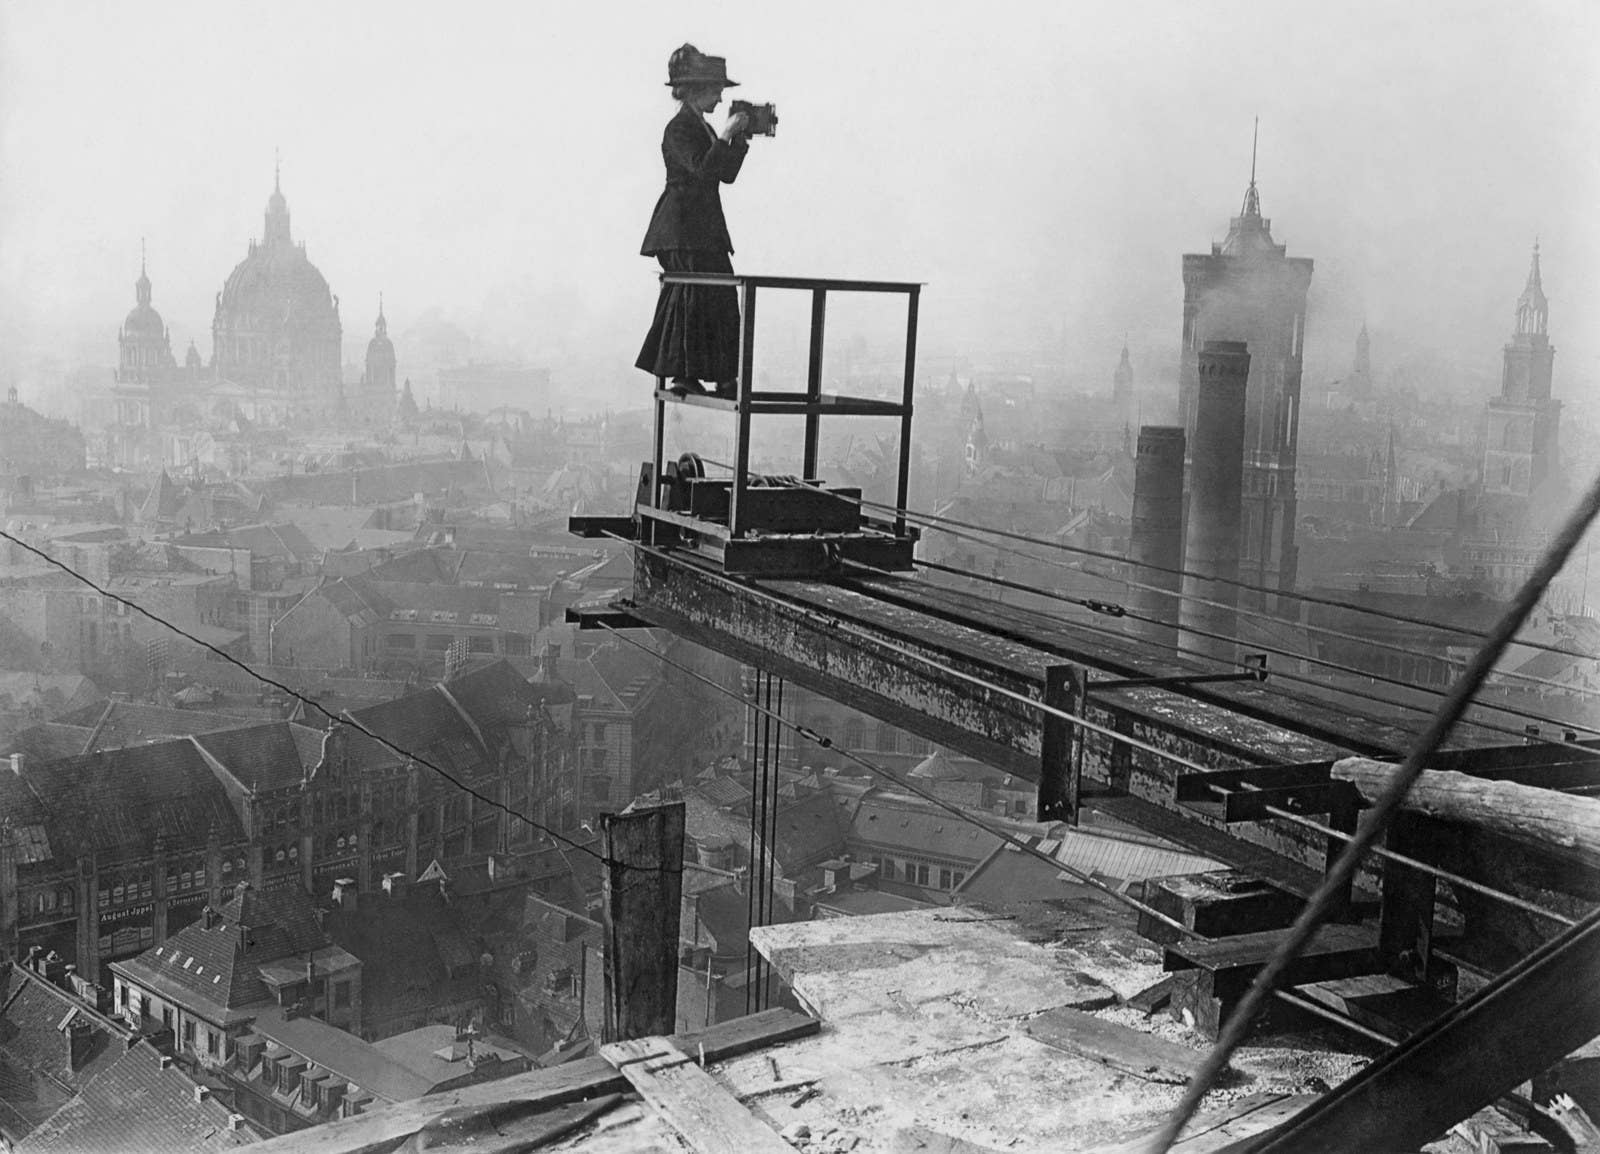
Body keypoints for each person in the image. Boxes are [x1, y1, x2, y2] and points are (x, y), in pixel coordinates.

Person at [635, 44, 753, 397]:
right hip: (682, 230)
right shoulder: (680, 129)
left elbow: (723, 175)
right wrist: (726, 136)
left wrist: (739, 141)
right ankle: (686, 373)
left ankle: (721, 376)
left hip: (699, 230)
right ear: (696, 89)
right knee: (694, 297)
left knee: (717, 296)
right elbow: (702, 171)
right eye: (716, 90)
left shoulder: (700, 127)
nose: (720, 98)